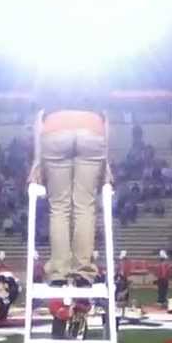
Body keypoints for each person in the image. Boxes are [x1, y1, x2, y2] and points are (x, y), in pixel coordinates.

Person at [29, 94, 110, 283]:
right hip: (92, 131)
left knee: (59, 206)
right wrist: (107, 161)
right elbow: (106, 121)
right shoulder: (95, 83)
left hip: (55, 131)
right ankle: (83, 271)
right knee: (85, 206)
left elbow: (39, 120)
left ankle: (59, 271)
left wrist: (37, 160)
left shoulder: (49, 83)